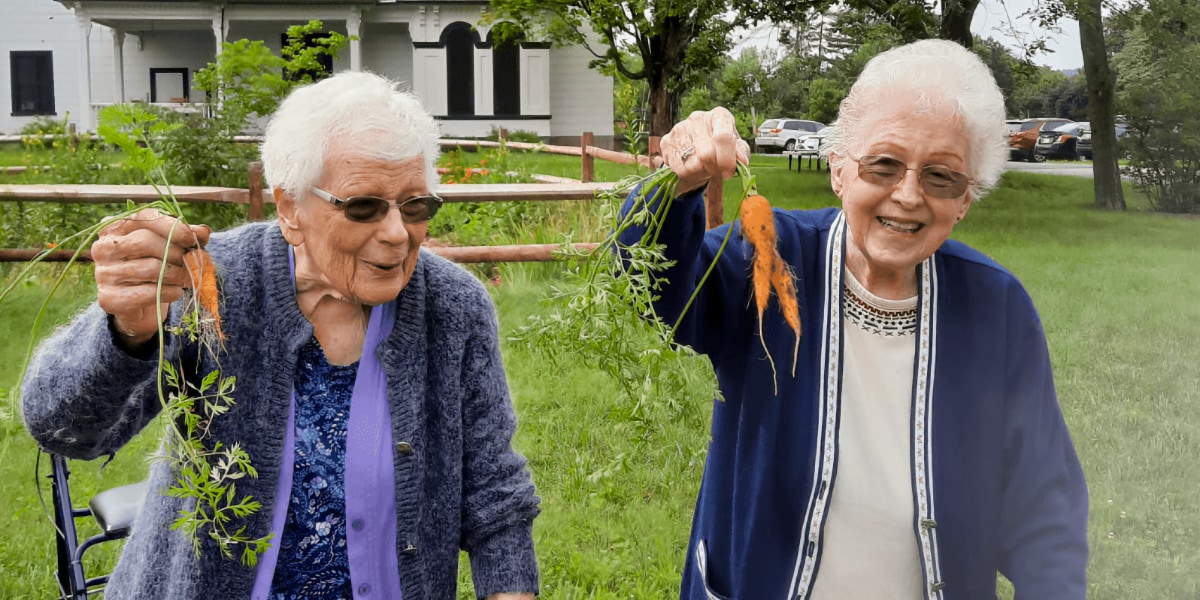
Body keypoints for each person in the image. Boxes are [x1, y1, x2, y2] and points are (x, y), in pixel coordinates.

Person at [21, 71, 540, 600]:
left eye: (416, 205)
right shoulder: (211, 283)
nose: (397, 233)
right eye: (363, 206)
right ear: (291, 208)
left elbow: (495, 495)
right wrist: (128, 330)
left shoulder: (454, 308)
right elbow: (63, 428)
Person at [621, 39, 1088, 598]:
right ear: (838, 169)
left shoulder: (997, 308)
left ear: (966, 199)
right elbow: (654, 285)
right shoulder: (765, 257)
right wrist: (676, 186)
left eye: (941, 177)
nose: (909, 195)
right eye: (884, 164)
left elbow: (1044, 518)